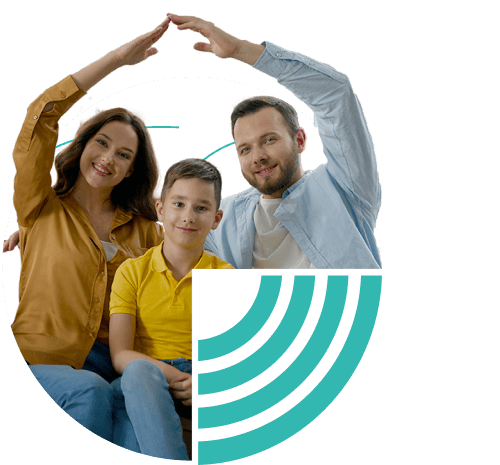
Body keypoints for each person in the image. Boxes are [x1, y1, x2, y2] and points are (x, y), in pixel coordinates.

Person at [7, 17, 181, 450]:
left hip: (114, 369)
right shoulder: (40, 207)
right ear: (83, 143)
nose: (108, 159)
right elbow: (40, 115)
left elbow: (186, 274)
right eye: (102, 143)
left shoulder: (147, 233)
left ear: (131, 170)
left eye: (123, 154)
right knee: (89, 392)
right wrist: (117, 61)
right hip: (42, 360)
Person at [168, 14, 382, 269]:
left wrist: (240, 50)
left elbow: (335, 95)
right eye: (245, 149)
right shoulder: (219, 219)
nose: (257, 156)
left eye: (268, 140)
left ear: (299, 140)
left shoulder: (346, 189)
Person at [108, 158, 233, 460]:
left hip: (201, 382)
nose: (188, 216)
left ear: (216, 218)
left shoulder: (226, 275)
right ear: (161, 209)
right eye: (179, 204)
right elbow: (120, 354)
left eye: (201, 208)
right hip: (146, 379)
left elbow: (232, 358)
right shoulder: (131, 272)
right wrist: (172, 377)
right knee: (137, 372)